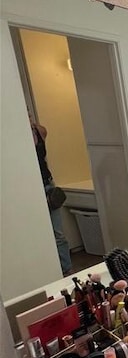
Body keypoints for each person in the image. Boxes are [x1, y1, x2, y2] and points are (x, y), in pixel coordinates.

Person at [30, 112, 72, 275]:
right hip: (32, 188)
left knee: (58, 233)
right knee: (38, 232)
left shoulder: (40, 132)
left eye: (29, 115)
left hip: (47, 183)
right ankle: (48, 271)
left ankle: (67, 270)